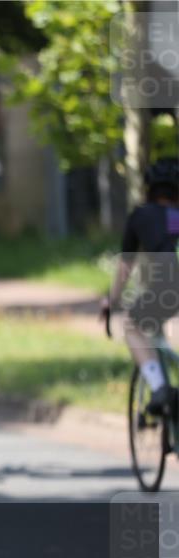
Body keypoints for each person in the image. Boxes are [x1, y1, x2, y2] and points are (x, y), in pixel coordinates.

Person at [101, 157, 179, 415]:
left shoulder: (141, 215)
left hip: (168, 285)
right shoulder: (176, 216)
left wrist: (111, 302)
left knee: (133, 326)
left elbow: (125, 267)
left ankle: (159, 388)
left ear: (148, 189)